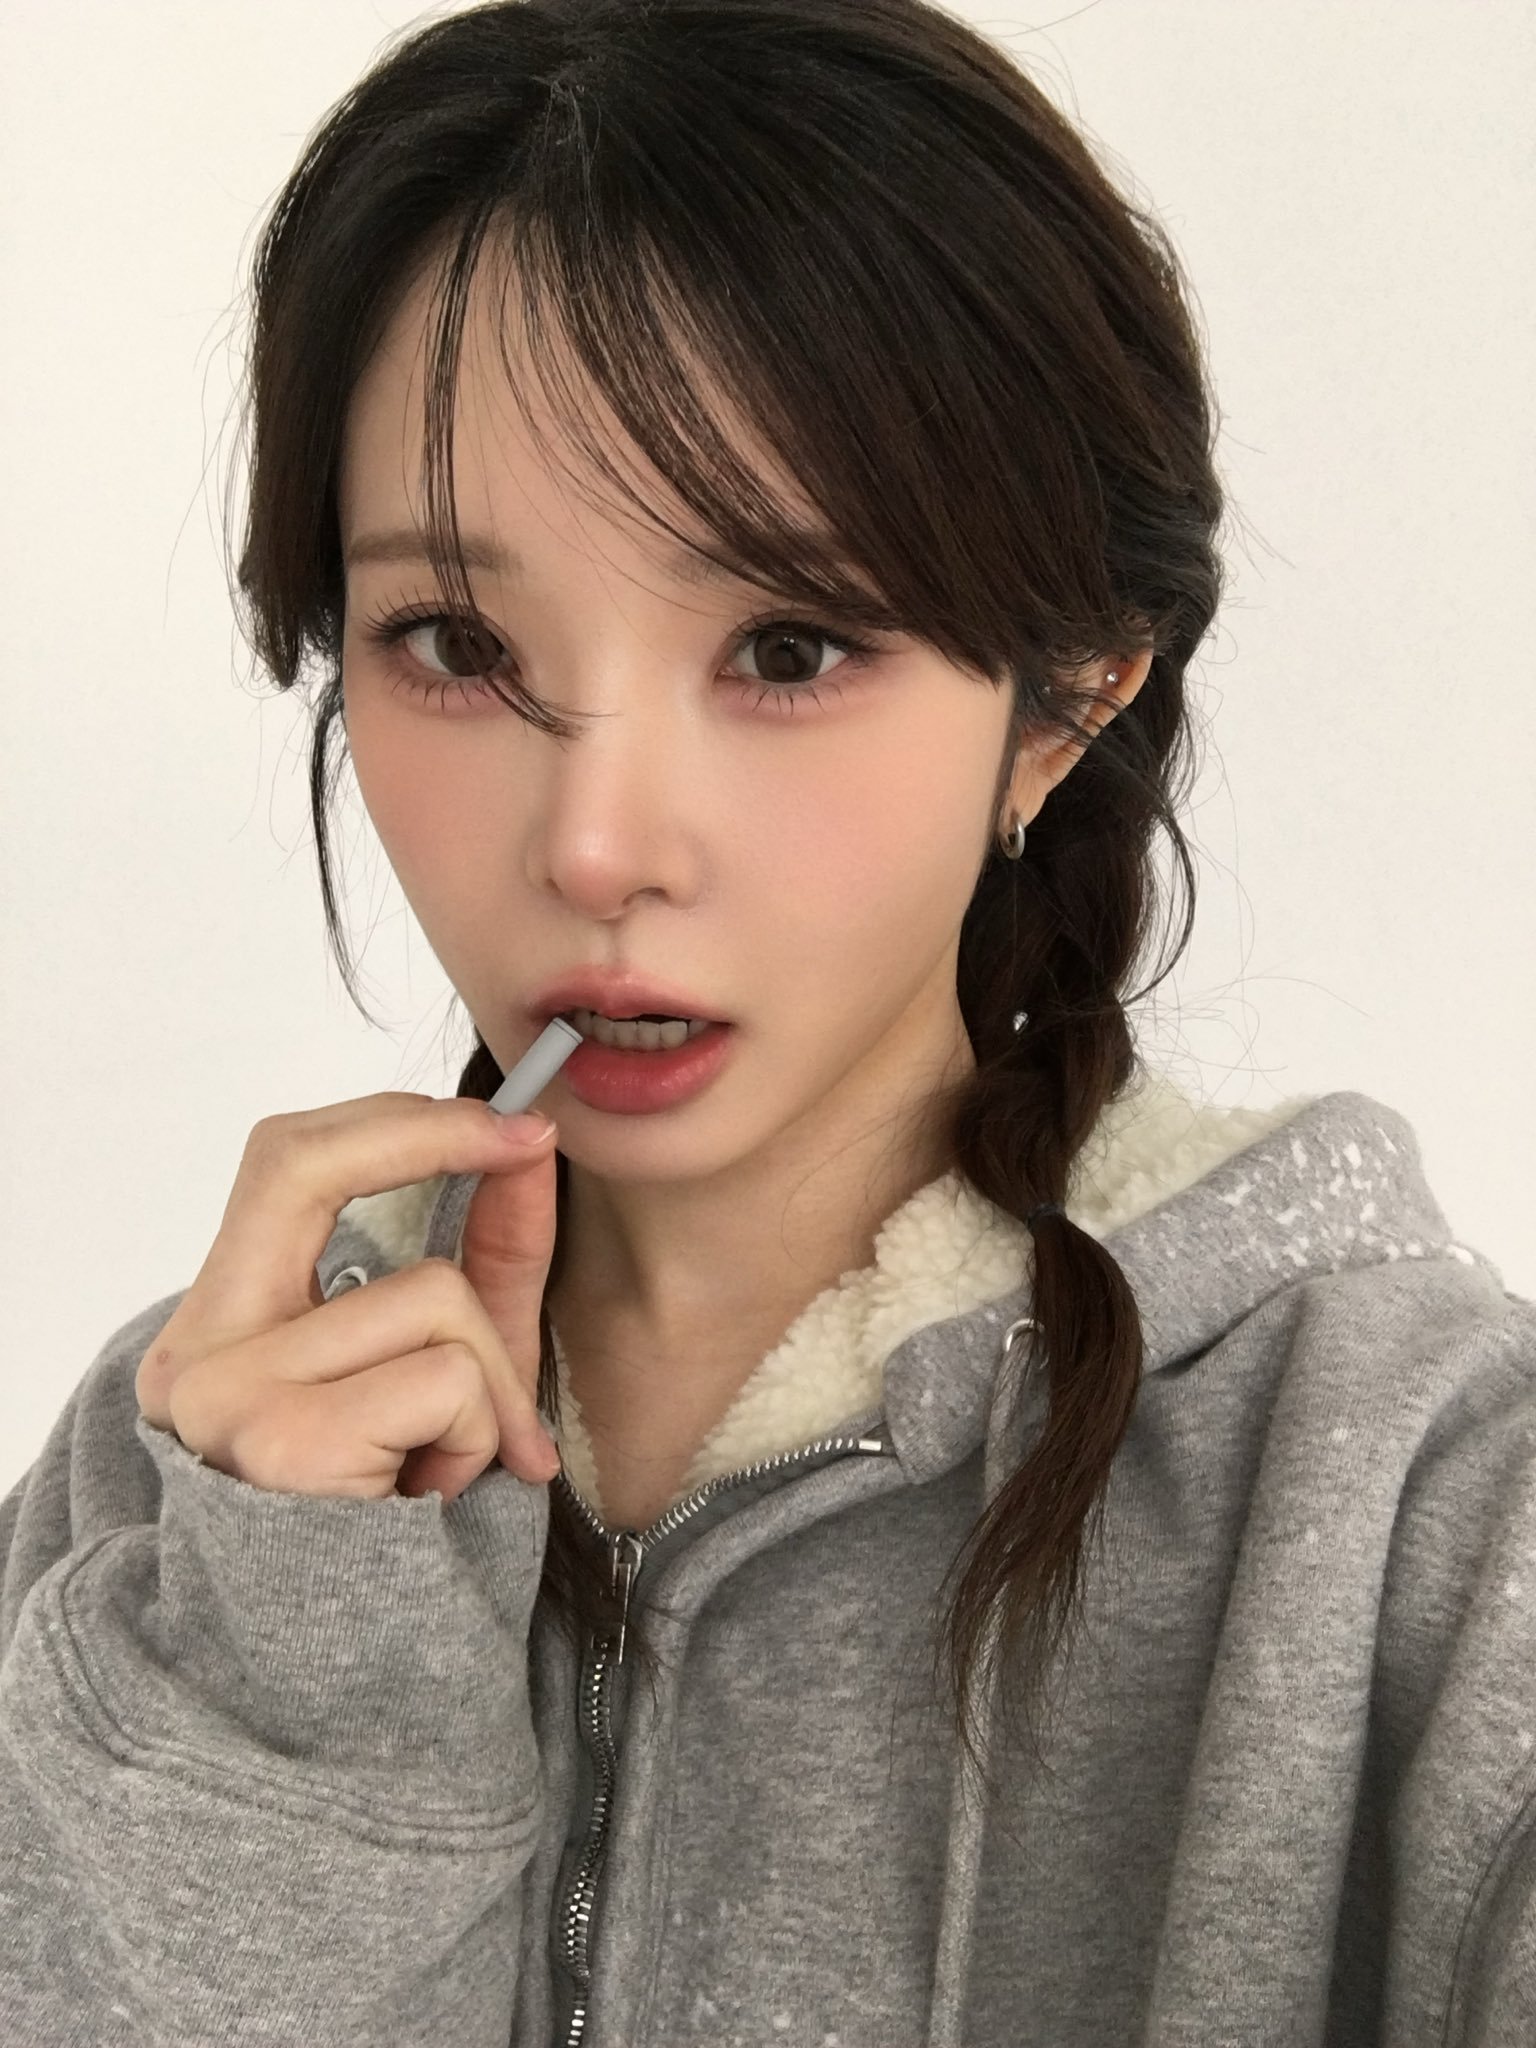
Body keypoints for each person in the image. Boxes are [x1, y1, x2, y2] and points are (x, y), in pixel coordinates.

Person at [3, 3, 1531, 2042]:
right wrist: (284, 1691)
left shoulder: (1416, 1502)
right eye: (454, 641)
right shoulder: (178, 1481)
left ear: (1065, 704)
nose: (597, 843)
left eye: (790, 647)